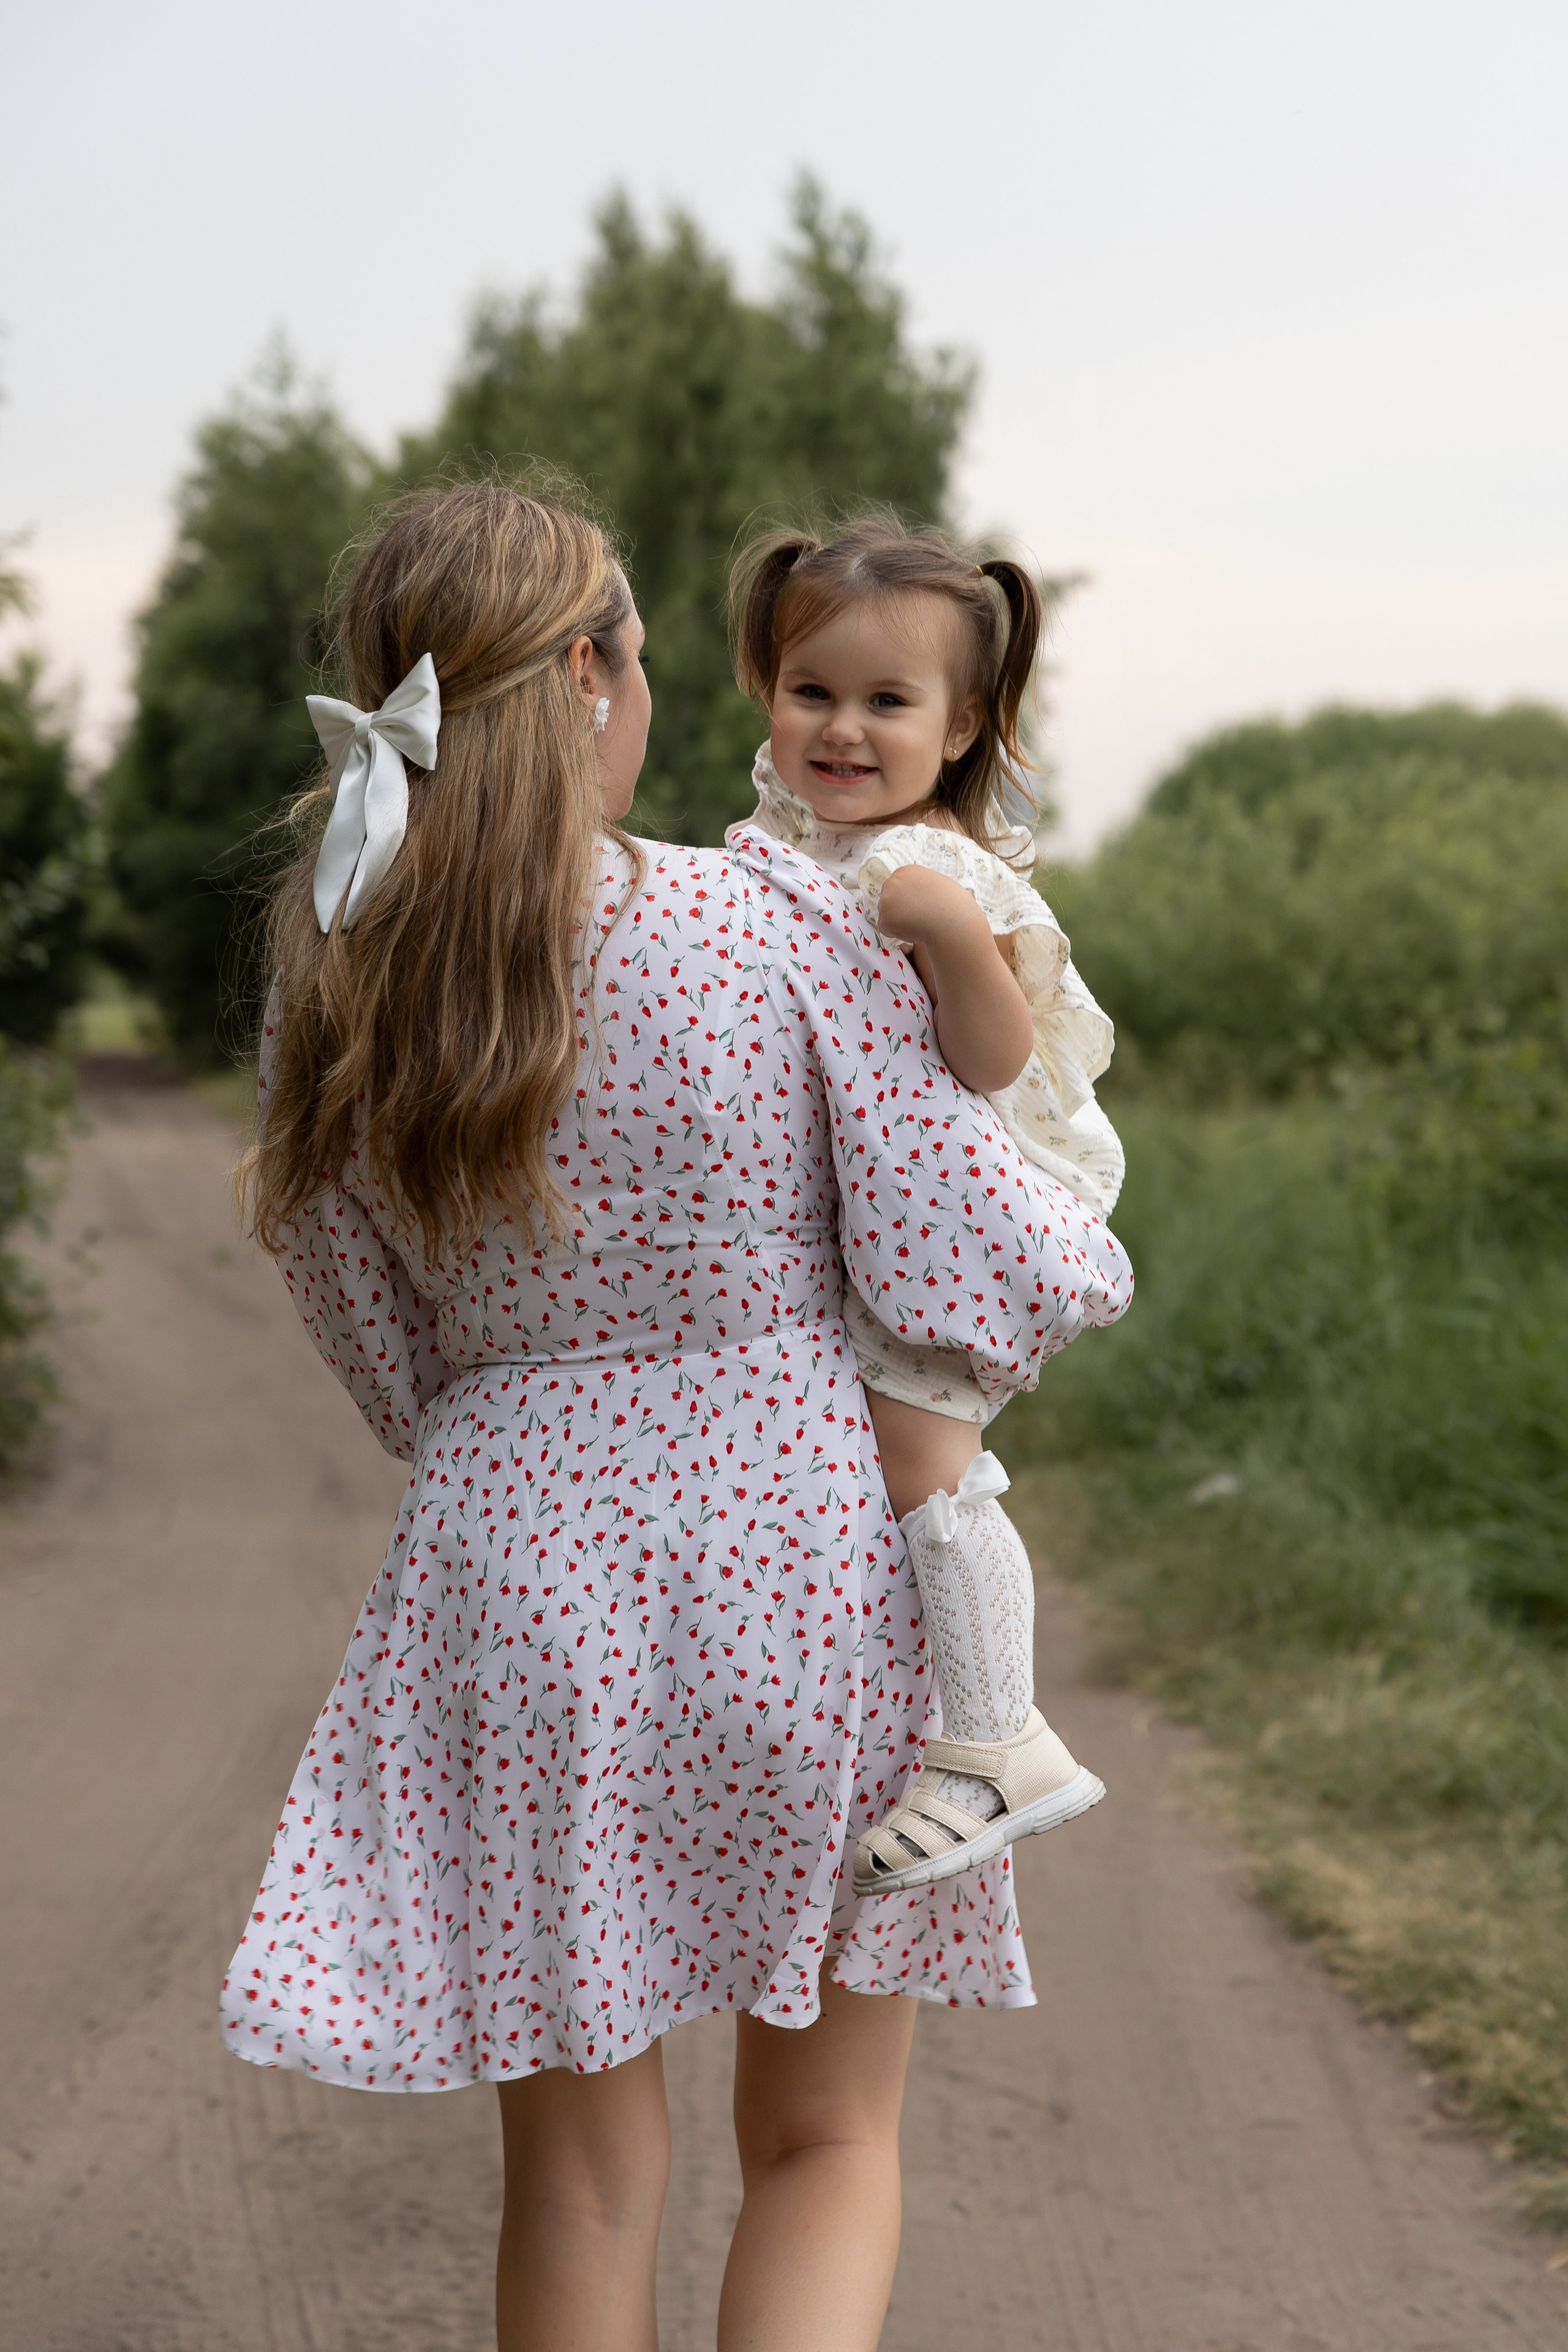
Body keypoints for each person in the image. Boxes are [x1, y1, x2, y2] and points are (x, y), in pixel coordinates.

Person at [222, 480, 1131, 2352]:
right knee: (822, 2141)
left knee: (575, 2182)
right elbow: (966, 1252)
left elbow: (368, 1331)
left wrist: (514, 1434)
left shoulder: (338, 966)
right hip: (800, 1560)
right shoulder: (782, 924)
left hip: (514, 1579)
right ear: (592, 676)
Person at [728, 516, 1126, 1898]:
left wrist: (951, 934)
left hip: (969, 1210)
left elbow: (996, 1059)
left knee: (923, 1457)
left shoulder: (942, 871)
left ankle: (999, 1739)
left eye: (886, 702)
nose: (842, 728)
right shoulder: (787, 845)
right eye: (811, 691)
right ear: (767, 693)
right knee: (890, 1459)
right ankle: (931, 1717)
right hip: (889, 1205)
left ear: (957, 729)